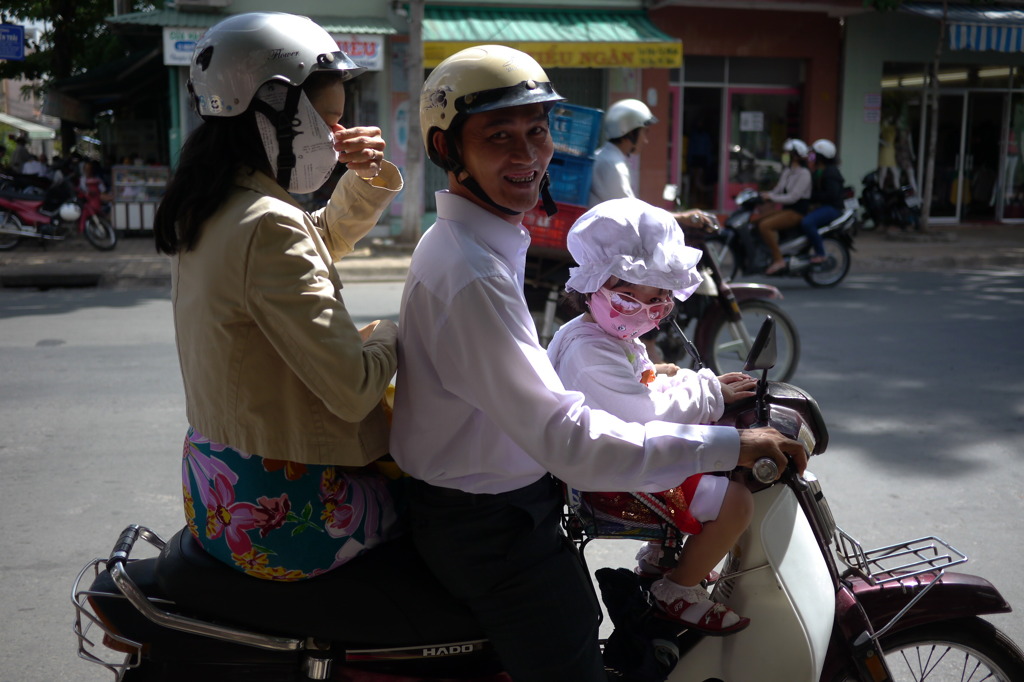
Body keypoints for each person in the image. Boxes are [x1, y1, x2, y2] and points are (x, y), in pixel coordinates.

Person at [391, 44, 806, 681]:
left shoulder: (480, 244)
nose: (527, 155)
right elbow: (570, 439)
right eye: (499, 136)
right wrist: (729, 445)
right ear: (449, 151)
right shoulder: (472, 272)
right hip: (490, 527)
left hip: (502, 506)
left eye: (537, 131)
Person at [152, 12, 404, 581]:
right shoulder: (266, 223)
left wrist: (364, 177)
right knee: (453, 523)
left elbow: (316, 239)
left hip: (217, 488)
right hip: (284, 507)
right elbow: (355, 389)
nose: (339, 139)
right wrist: (395, 328)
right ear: (272, 109)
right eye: (331, 120)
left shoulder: (212, 203)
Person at [547, 197, 758, 635]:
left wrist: (691, 384)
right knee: (738, 502)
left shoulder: (599, 333)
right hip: (609, 480)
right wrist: (709, 392)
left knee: (719, 461)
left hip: (610, 458)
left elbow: (639, 389)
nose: (649, 311)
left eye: (661, 300)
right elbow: (645, 418)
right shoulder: (591, 351)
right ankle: (677, 589)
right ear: (595, 285)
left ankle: (660, 558)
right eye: (633, 299)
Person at [757, 138, 813, 275]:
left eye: (787, 153)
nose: (785, 156)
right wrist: (763, 194)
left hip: (796, 212)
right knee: (755, 220)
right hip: (786, 210)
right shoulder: (788, 171)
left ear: (795, 156)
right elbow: (778, 190)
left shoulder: (804, 174)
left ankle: (778, 260)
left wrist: (771, 197)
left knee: (765, 226)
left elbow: (793, 197)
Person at [802, 139, 845, 264]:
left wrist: (812, 198)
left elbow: (830, 195)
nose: (811, 157)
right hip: (821, 206)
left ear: (821, 156)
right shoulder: (818, 170)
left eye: (813, 154)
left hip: (832, 208)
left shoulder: (831, 172)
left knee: (807, 222)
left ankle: (821, 253)